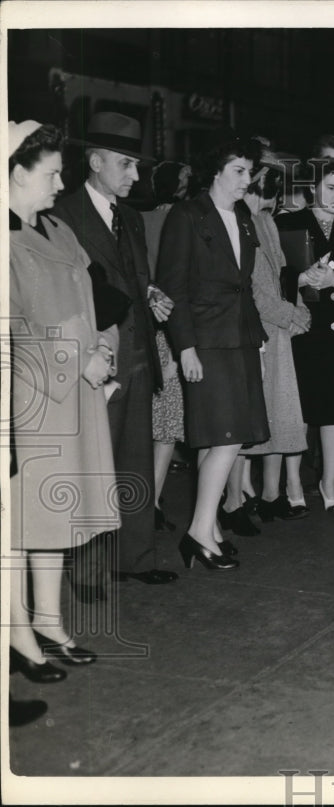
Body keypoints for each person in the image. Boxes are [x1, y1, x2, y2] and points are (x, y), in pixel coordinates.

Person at [8, 120, 117, 679]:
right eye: (50, 174)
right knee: (24, 520)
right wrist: (80, 359)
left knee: (57, 516)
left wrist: (103, 347)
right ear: (15, 174)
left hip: (77, 391)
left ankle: (48, 621)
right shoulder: (5, 243)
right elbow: (15, 332)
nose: (59, 184)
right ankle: (18, 634)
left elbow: (93, 298)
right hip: (32, 399)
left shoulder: (59, 229)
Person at [53, 111, 176, 598]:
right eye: (126, 165)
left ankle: (135, 557)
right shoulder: (63, 215)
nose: (135, 176)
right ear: (96, 160)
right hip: (97, 357)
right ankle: (86, 572)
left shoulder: (130, 218)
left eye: (137, 167)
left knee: (133, 462)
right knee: (92, 466)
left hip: (139, 351)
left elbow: (133, 278)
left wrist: (150, 296)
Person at [157, 131, 270, 571]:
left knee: (219, 437)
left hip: (239, 337)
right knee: (227, 436)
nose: (247, 180)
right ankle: (200, 532)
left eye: (249, 171)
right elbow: (173, 286)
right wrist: (185, 347)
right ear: (216, 172)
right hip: (205, 339)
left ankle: (211, 529)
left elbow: (244, 284)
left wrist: (254, 339)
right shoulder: (187, 215)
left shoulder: (242, 216)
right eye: (239, 171)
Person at [275, 158, 334, 512]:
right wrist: (300, 279)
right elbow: (273, 277)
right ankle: (293, 480)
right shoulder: (288, 223)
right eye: (330, 187)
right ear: (312, 188)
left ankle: (330, 482)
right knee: (298, 408)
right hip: (302, 327)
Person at [241, 157, 313, 520]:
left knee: (276, 414)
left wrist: (298, 310)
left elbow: (284, 275)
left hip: (277, 330)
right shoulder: (241, 222)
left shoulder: (265, 221)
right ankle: (239, 497)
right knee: (250, 418)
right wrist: (292, 315)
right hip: (258, 330)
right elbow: (255, 291)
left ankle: (269, 494)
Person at [142, 160, 192, 533]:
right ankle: (154, 502)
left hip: (142, 327)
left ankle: (143, 504)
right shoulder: (184, 219)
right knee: (166, 425)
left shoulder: (137, 219)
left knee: (145, 424)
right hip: (170, 329)